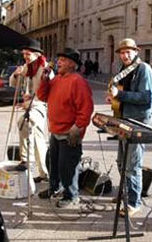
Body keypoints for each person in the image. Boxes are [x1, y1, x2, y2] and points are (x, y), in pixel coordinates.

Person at [105, 38, 152, 217]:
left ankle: (134, 202)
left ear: (136, 52)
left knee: (132, 164)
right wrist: (114, 99)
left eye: (128, 52)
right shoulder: (124, 70)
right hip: (123, 120)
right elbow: (122, 94)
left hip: (138, 122)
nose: (125, 55)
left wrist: (119, 94)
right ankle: (125, 194)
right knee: (121, 161)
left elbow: (146, 98)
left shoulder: (143, 69)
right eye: (122, 52)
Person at [37, 47, 94, 208]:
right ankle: (55, 187)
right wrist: (44, 80)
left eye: (61, 60)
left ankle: (71, 195)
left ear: (71, 64)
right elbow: (42, 96)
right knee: (52, 162)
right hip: (55, 131)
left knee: (67, 166)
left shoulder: (78, 81)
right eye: (59, 60)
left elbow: (86, 108)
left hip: (69, 132)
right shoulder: (57, 79)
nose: (58, 63)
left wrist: (78, 127)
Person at [9, 38, 50, 183]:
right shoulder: (27, 67)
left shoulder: (45, 69)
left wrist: (32, 98)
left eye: (28, 54)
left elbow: (47, 92)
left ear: (37, 54)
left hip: (40, 106)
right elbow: (13, 83)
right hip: (30, 105)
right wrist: (16, 74)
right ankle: (44, 172)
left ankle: (26, 160)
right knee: (38, 139)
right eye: (24, 54)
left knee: (24, 123)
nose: (25, 57)